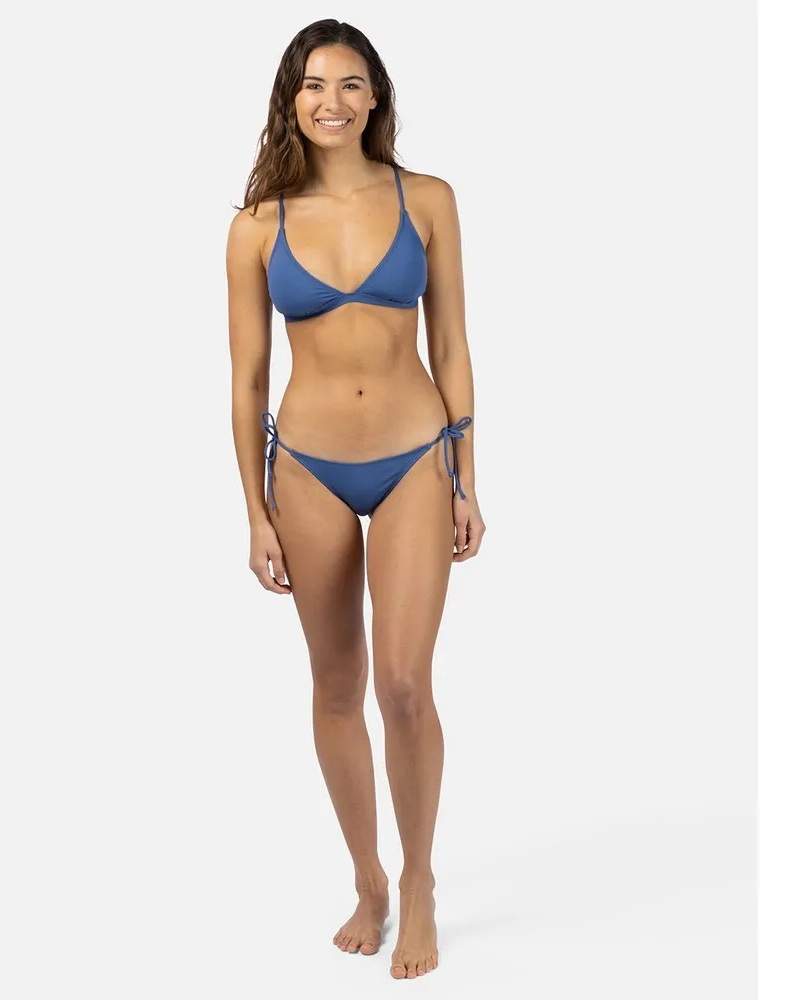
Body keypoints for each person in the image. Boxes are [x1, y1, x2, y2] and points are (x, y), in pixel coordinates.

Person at [225, 18, 486, 981]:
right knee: (336, 687)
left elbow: (451, 346)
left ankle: (418, 882)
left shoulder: (429, 200)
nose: (329, 101)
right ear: (290, 101)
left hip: (415, 456)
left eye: (348, 83)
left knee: (404, 685)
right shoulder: (258, 226)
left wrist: (467, 476)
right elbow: (247, 380)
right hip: (307, 470)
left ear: (376, 96)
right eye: (311, 85)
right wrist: (255, 512)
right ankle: (368, 879)